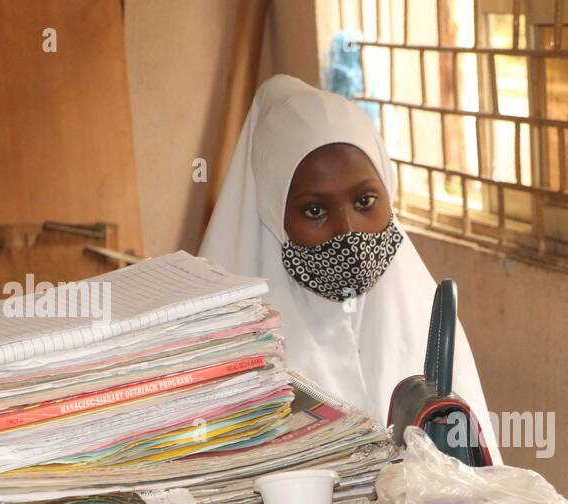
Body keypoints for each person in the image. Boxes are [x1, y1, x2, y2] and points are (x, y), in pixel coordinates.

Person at [200, 75, 498, 454]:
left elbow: (478, 474)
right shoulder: (227, 343)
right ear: (274, 216)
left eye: (365, 202)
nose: (348, 231)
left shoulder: (428, 316)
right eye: (315, 210)